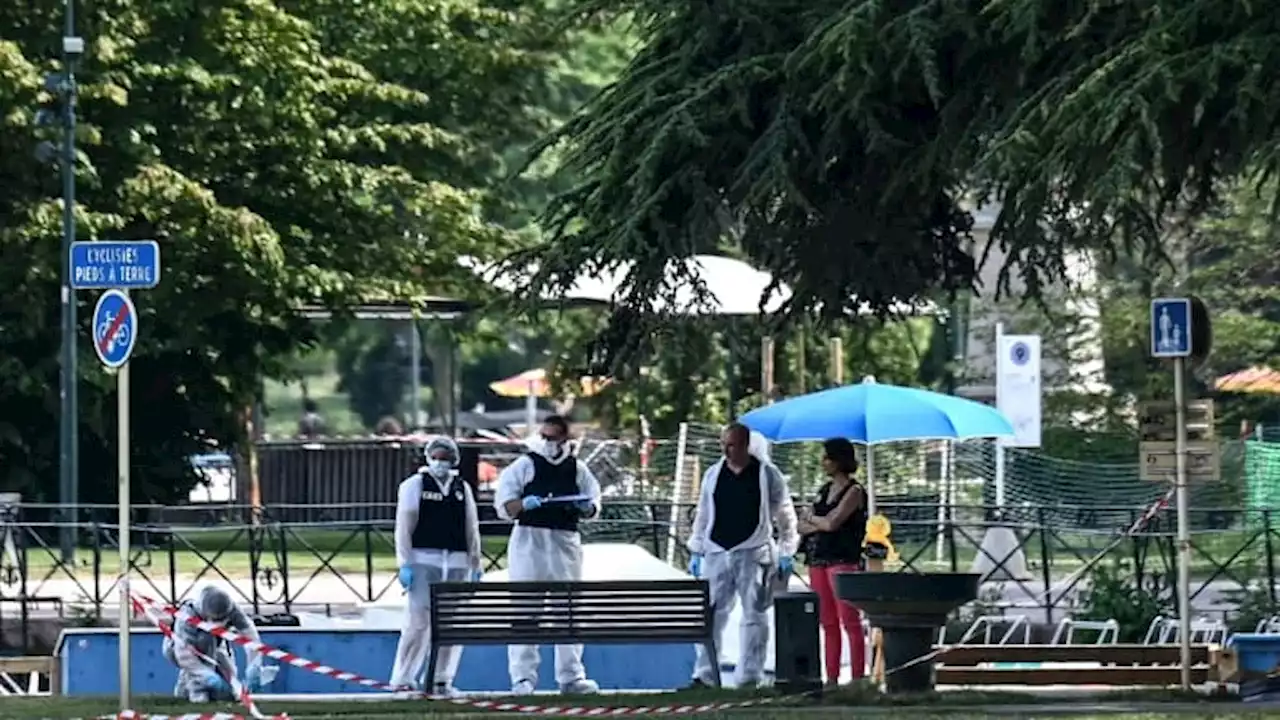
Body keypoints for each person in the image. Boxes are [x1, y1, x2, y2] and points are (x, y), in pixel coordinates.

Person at [494, 415, 602, 695]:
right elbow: (504, 504)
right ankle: (522, 678)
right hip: (530, 542)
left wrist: (585, 507)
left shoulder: (578, 469)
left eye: (553, 438)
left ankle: (571, 676)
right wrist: (524, 504)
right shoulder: (525, 465)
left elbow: (594, 502)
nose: (547, 443)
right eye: (544, 437)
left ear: (565, 439)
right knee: (525, 611)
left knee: (568, 610)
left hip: (564, 542)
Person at [686, 423, 799, 688]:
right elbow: (703, 513)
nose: (726, 450)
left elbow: (785, 514)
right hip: (717, 551)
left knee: (754, 616)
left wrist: (786, 549)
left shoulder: (767, 475)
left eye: (732, 444)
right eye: (723, 444)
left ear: (746, 445)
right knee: (711, 615)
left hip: (753, 551)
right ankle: (705, 675)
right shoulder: (713, 474)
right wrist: (697, 548)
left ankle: (749, 676)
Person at [390, 436, 483, 695]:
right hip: (423, 560)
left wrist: (475, 563)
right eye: (437, 457)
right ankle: (404, 677)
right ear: (428, 457)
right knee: (418, 622)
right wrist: (405, 563)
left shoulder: (461, 488)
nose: (441, 462)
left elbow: (471, 528)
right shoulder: (415, 485)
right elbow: (404, 527)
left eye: (446, 458)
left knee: (452, 624)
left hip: (456, 562)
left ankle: (442, 678)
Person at [797, 438, 868, 685]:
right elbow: (803, 525)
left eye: (827, 457)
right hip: (818, 558)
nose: (823, 462)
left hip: (843, 558)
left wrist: (813, 519)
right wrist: (816, 521)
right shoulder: (824, 491)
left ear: (839, 460)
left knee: (849, 619)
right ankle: (832, 676)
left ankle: (858, 676)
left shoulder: (855, 491)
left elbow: (832, 522)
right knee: (827, 621)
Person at [163, 584, 265, 703]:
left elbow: (250, 636)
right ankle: (197, 690)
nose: (219, 623)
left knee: (229, 681)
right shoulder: (188, 615)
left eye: (222, 619)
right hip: (178, 648)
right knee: (205, 639)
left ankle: (188, 690)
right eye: (215, 619)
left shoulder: (232, 609)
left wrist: (254, 666)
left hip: (215, 645)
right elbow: (184, 654)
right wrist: (207, 676)